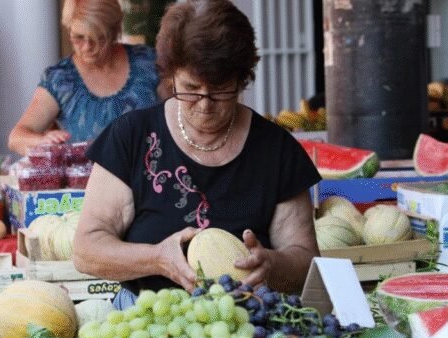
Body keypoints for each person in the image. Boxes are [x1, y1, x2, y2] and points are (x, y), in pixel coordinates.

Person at [73, 0, 322, 309]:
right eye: (190, 87)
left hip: (248, 322)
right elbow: (86, 250)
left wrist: (273, 265)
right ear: (170, 75)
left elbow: (306, 259)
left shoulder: (277, 150)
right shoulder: (132, 137)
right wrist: (157, 259)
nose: (204, 104)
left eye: (219, 90)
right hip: (148, 317)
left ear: (241, 79)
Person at [8, 0, 161, 154]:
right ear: (69, 30)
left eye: (99, 38)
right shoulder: (61, 80)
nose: (87, 47)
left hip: (151, 173)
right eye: (78, 37)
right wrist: (43, 141)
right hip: (90, 178)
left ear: (115, 31)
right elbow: (16, 138)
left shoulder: (148, 63)